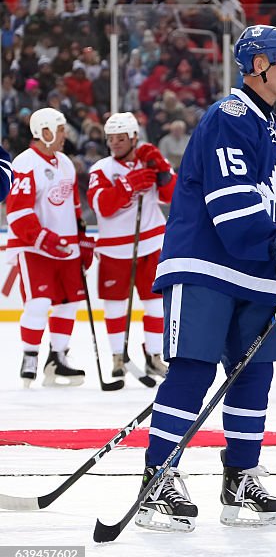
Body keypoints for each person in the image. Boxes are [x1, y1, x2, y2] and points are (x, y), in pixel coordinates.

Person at [136, 25, 276, 533]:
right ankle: (158, 477)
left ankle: (239, 475)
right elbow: (233, 204)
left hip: (255, 274)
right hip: (208, 268)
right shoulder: (229, 116)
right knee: (192, 370)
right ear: (259, 64)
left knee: (253, 377)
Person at [6, 108, 95, 388]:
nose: (64, 135)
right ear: (44, 131)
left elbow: (74, 207)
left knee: (70, 303)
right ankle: (29, 356)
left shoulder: (66, 163)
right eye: (59, 129)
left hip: (66, 248)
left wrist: (81, 239)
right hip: (35, 249)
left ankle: (57, 358)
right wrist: (44, 239)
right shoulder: (25, 163)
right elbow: (18, 213)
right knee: (39, 303)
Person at [87, 112, 176, 380]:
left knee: (154, 304)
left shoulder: (149, 161)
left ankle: (153, 356)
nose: (114, 143)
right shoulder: (101, 169)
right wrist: (127, 185)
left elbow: (173, 195)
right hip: (114, 249)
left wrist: (161, 168)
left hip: (150, 243)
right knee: (115, 306)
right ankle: (117, 357)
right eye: (110, 138)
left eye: (120, 138)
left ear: (134, 137)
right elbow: (102, 206)